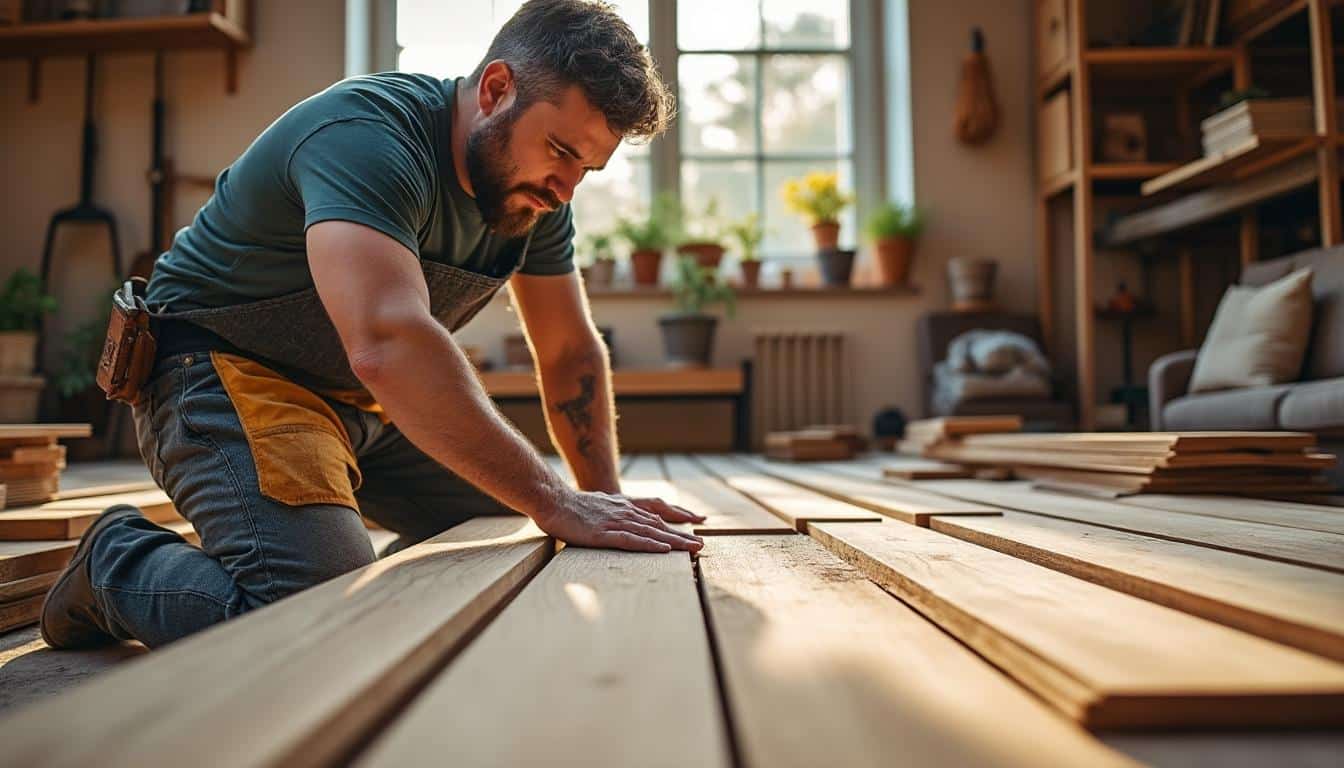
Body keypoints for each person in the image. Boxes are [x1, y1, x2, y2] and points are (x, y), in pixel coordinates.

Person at [41, 0, 703, 651]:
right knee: (311, 608)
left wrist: (603, 502)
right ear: (497, 89)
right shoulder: (367, 138)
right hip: (219, 374)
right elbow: (387, 343)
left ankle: (355, 577)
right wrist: (556, 500)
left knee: (497, 515)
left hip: (357, 403)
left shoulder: (535, 196)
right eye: (559, 150)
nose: (565, 187)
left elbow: (567, 352)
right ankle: (116, 561)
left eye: (586, 168)